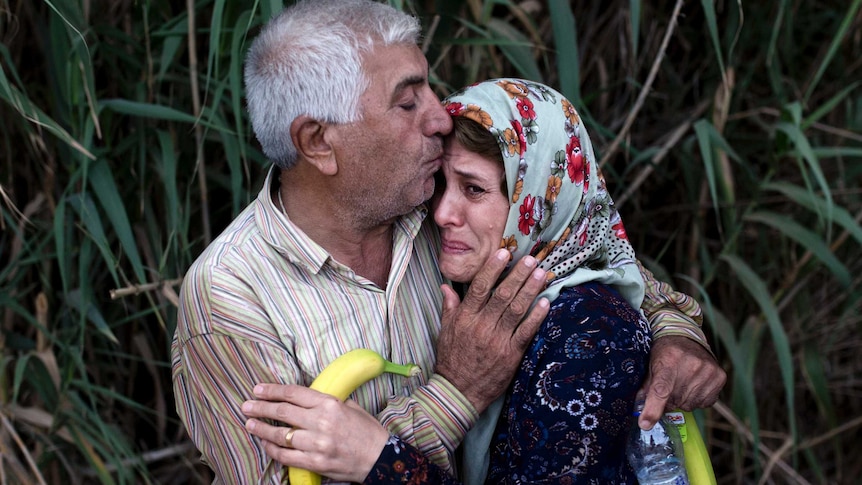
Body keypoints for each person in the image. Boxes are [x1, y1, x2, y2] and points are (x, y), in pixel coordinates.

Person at [175, 0, 724, 483]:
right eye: (408, 102)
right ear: (319, 142)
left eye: (429, 87)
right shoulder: (229, 296)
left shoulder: (425, 209)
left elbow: (579, 256)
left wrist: (674, 331)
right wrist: (455, 393)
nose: (440, 117)